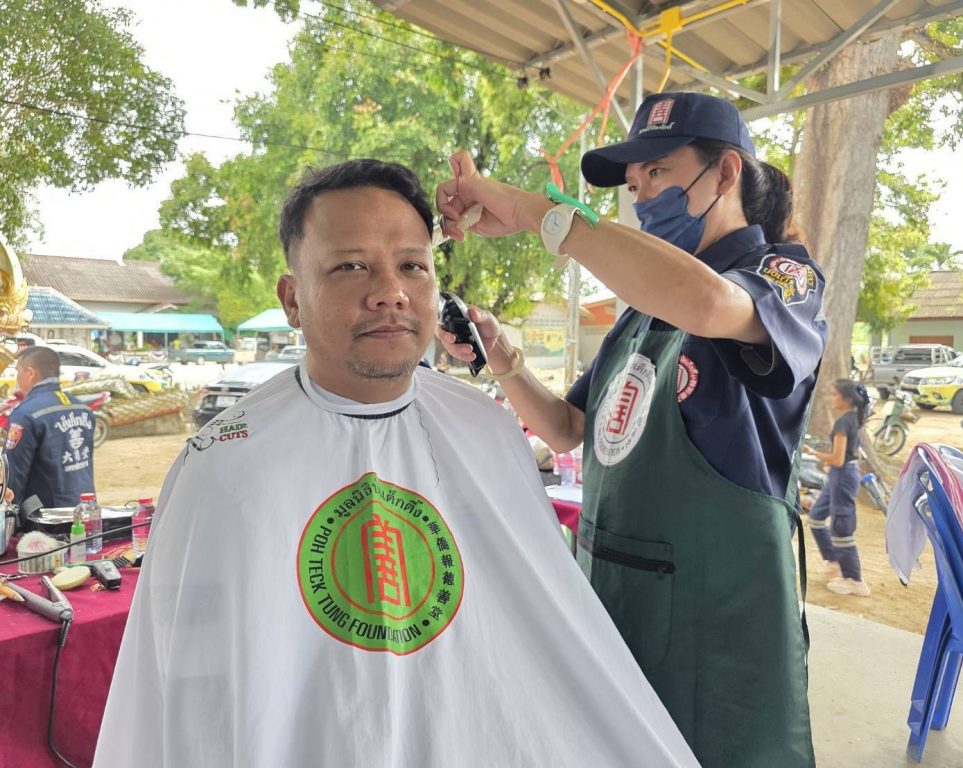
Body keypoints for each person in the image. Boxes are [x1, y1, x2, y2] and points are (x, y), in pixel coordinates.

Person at [94, 160, 698, 767]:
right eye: (350, 266)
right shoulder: (224, 464)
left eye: (413, 266)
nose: (391, 291)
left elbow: (547, 638)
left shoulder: (486, 430)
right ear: (292, 299)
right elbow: (187, 699)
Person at [436, 91, 826, 767]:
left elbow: (707, 302)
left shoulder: (780, 277)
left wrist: (533, 212)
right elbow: (567, 428)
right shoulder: (642, 311)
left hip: (718, 630)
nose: (641, 194)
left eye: (659, 171)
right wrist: (502, 357)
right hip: (615, 604)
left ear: (726, 172)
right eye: (634, 181)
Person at [2, 346, 96, 508]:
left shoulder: (25, 414)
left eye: (18, 371)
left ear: (30, 373)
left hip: (46, 515)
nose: (17, 378)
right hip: (85, 509)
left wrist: (8, 511)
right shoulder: (83, 408)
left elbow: (13, 474)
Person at [807, 379, 871, 596]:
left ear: (847, 399)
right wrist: (836, 467)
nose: (832, 399)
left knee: (841, 525)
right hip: (842, 474)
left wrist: (813, 453)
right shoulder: (854, 419)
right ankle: (834, 559)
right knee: (816, 516)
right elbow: (855, 454)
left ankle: (854, 579)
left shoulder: (844, 423)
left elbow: (838, 458)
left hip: (843, 476)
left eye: (835, 395)